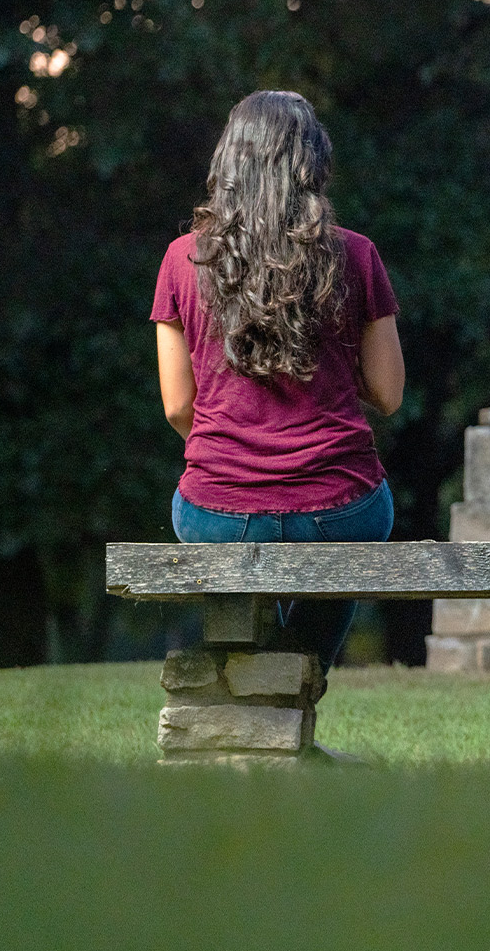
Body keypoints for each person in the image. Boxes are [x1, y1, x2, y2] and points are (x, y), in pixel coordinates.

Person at [150, 90, 405, 674]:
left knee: (241, 588)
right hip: (342, 509)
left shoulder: (181, 261)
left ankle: (262, 692)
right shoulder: (357, 256)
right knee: (348, 549)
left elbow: (177, 406)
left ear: (228, 162)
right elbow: (388, 395)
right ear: (312, 163)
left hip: (214, 509)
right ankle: (299, 678)